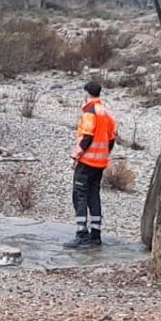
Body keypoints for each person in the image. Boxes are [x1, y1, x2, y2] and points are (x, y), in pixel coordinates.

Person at [65, 81, 116, 249]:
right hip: (100, 163)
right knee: (94, 195)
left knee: (79, 195)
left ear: (87, 93)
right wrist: (104, 156)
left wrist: (76, 156)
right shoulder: (107, 111)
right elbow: (112, 138)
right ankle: (96, 235)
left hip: (87, 162)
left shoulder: (90, 111)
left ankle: (81, 235)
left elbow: (87, 137)